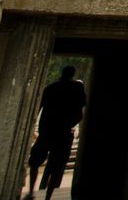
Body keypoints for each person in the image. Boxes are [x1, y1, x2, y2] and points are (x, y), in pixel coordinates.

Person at [25, 66, 86, 200]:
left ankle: (31, 191)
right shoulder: (76, 89)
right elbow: (80, 113)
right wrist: (70, 123)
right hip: (63, 132)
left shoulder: (50, 88)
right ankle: (48, 196)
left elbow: (37, 109)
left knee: (35, 162)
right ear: (73, 74)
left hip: (47, 131)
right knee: (56, 167)